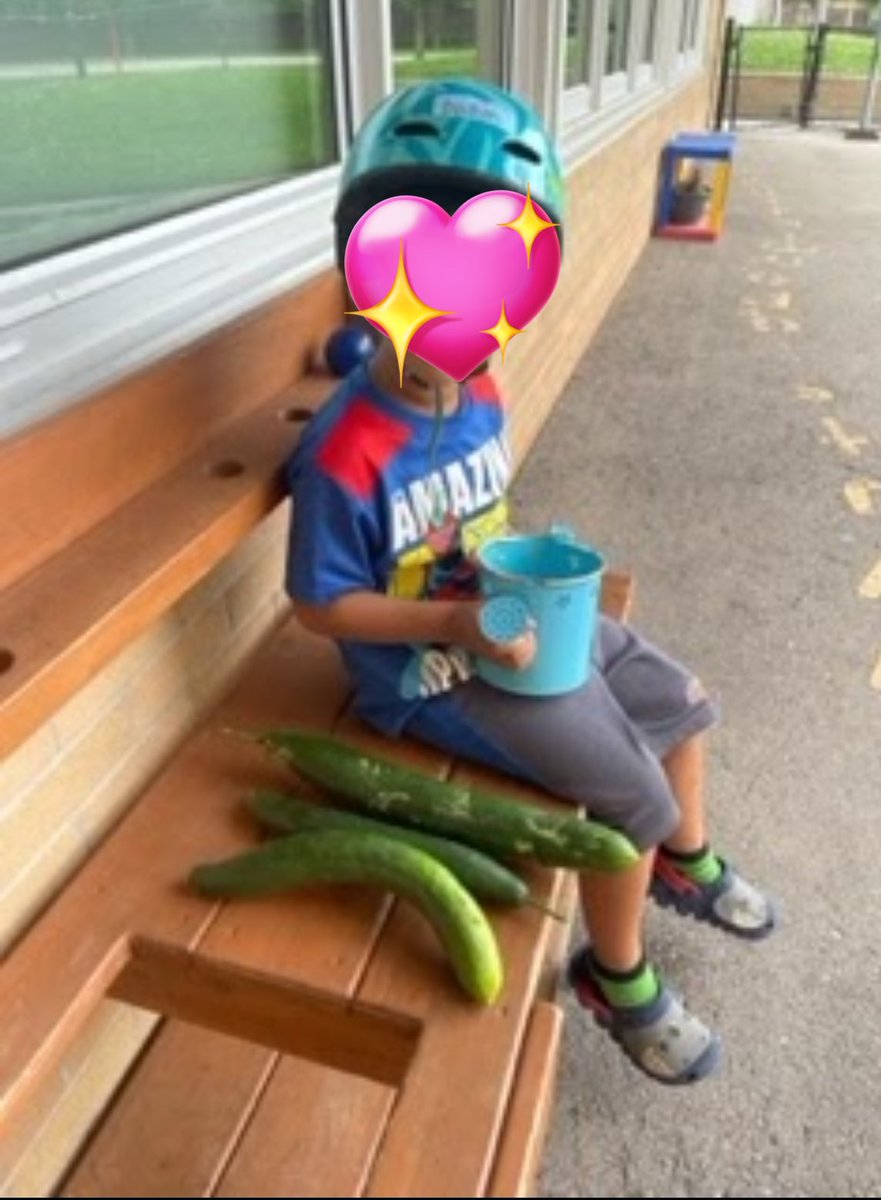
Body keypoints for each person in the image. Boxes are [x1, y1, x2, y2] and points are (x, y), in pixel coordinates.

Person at [285, 78, 775, 1085]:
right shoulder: (346, 454)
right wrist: (453, 628)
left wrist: (517, 569)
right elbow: (316, 604)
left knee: (682, 707)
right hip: (427, 675)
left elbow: (470, 514)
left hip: (509, 617)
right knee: (629, 800)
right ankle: (614, 970)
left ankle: (681, 859)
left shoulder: (478, 385)